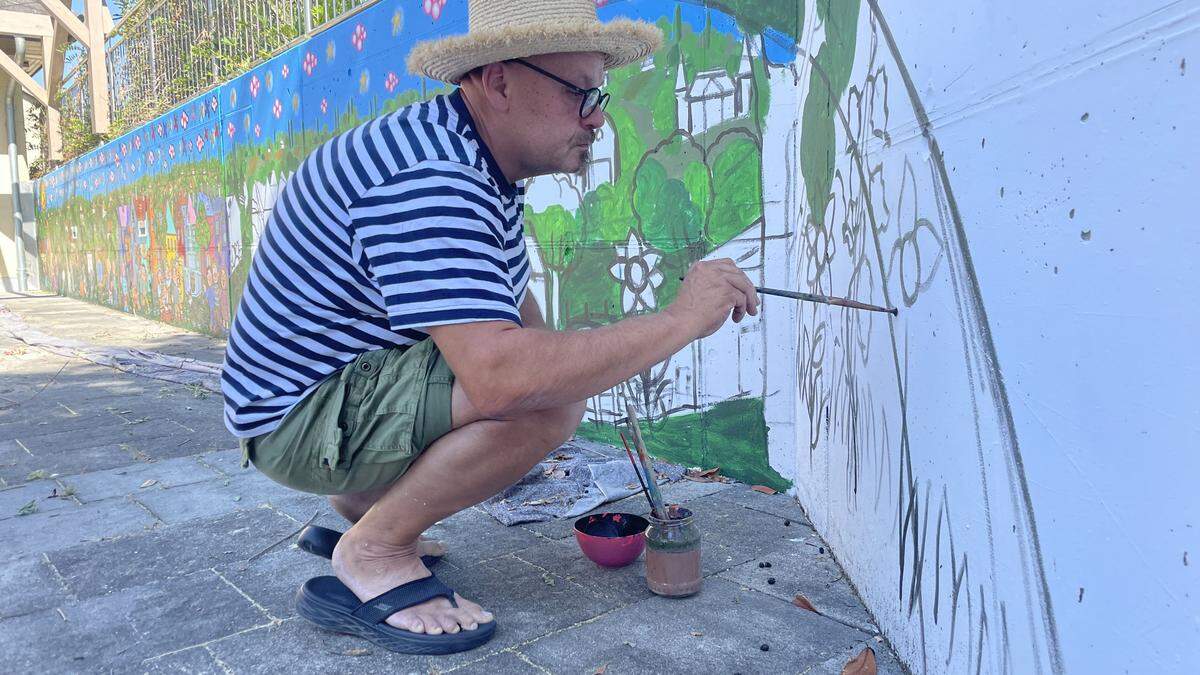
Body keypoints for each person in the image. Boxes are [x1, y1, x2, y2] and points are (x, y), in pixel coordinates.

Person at [220, 0, 758, 655]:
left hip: (316, 396)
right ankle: (376, 548)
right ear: (499, 81)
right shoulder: (434, 175)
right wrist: (678, 320)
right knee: (544, 398)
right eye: (581, 94)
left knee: (542, 377)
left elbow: (512, 304)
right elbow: (506, 376)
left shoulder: (470, 155)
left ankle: (367, 502)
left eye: (602, 94)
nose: (598, 116)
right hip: (297, 419)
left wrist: (569, 357)